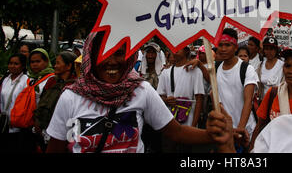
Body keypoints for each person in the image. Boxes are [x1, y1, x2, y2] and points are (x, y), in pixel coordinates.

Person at [45, 31, 218, 153]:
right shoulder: (71, 97)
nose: (112, 62)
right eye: (104, 54)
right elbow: (56, 147)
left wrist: (217, 134)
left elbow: (177, 132)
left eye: (119, 54)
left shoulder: (140, 90)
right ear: (91, 56)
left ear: (129, 56)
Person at [249, 49, 292, 150]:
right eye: (287, 66)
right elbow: (260, 125)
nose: (290, 71)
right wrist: (252, 148)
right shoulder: (273, 93)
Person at [215, 28, 258, 151]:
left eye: (227, 45)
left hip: (245, 131)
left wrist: (240, 130)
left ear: (235, 47)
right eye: (220, 45)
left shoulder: (246, 69)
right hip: (226, 132)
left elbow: (248, 101)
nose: (223, 49)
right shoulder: (216, 69)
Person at [157, 46, 205, 152]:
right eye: (172, 47)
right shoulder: (165, 73)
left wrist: (193, 126)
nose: (174, 49)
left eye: (179, 47)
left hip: (188, 125)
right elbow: (159, 97)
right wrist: (166, 100)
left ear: (187, 51)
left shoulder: (195, 71)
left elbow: (199, 100)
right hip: (169, 123)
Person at [33, 51, 78, 151]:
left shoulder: (75, 86)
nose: (55, 66)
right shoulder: (52, 81)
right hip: (44, 128)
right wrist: (38, 122)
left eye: (58, 63)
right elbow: (42, 101)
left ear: (69, 66)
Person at [0, 54, 28, 152]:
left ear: (23, 66)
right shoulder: (5, 80)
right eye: (10, 63)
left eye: (16, 64)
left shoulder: (26, 81)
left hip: (17, 126)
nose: (12, 66)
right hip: (4, 123)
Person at [256, 37, 284, 101]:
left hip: (278, 101)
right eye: (267, 49)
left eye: (272, 49)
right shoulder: (260, 65)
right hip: (263, 102)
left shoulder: (282, 65)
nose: (269, 52)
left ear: (276, 50)